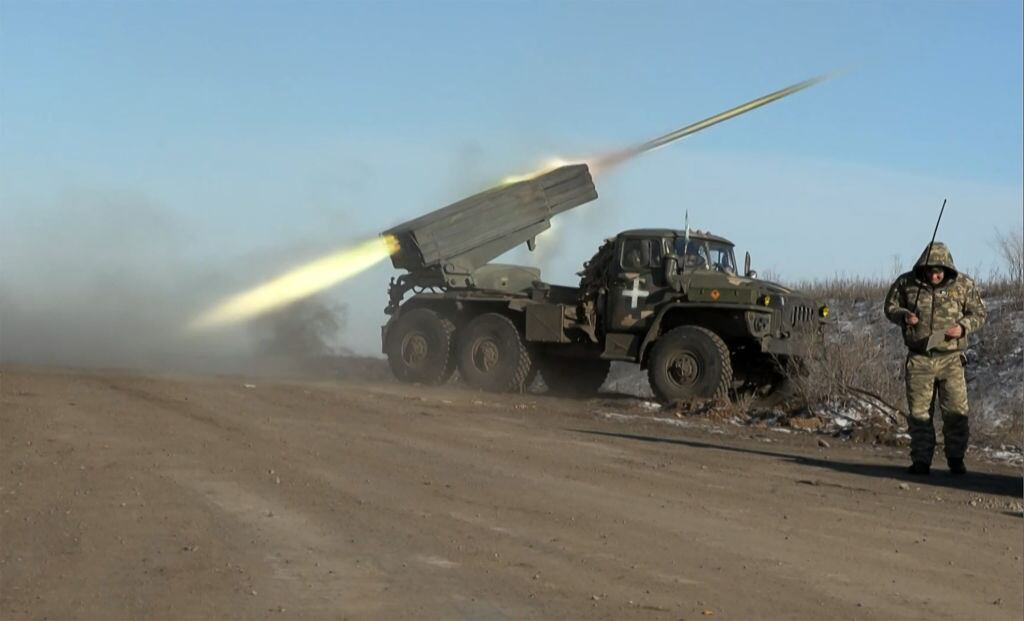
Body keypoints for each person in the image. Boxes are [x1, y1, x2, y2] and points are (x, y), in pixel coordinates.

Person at [884, 242, 986, 475]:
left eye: (939, 271)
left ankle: (956, 459)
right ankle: (921, 461)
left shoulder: (964, 285)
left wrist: (963, 327)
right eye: (930, 271)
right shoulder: (906, 283)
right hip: (919, 358)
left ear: (947, 269)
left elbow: (979, 313)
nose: (934, 275)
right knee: (919, 415)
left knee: (956, 413)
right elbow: (890, 307)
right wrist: (903, 316)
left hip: (951, 359)